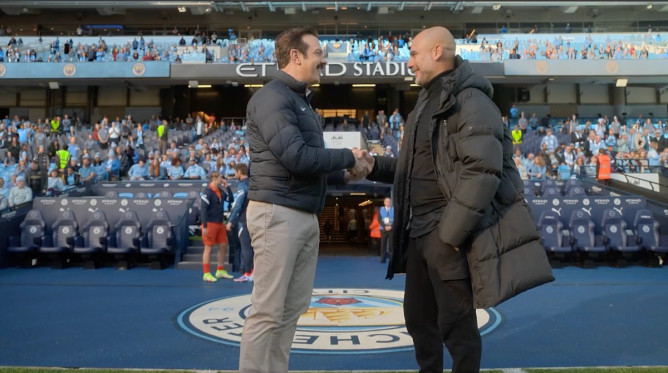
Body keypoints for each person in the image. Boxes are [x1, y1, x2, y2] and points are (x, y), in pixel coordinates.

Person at [358, 27, 553, 373]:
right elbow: (413, 167)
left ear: (436, 52)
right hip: (419, 232)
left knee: (456, 325)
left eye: (414, 54)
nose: (410, 62)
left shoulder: (471, 100)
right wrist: (372, 165)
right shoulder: (424, 101)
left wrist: (450, 236)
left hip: (444, 234)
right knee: (419, 321)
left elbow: (482, 172)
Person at [238, 26, 369, 373]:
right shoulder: (271, 98)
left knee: (292, 308)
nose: (324, 59)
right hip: (278, 213)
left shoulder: (298, 100)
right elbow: (296, 157)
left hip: (301, 212)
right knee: (268, 310)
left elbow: (309, 164)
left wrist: (349, 172)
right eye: (318, 52)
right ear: (295, 56)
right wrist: (348, 156)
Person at [199, 171, 233, 282]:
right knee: (208, 248)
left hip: (220, 223)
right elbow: (203, 210)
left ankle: (220, 270)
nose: (222, 179)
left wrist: (227, 187)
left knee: (223, 247)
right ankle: (206, 273)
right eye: (220, 177)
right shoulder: (207, 192)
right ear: (214, 178)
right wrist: (204, 226)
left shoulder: (220, 191)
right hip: (210, 224)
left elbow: (230, 199)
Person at [226, 163, 252, 283]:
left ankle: (248, 273)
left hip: (243, 219)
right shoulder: (253, 183)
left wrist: (230, 221)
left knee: (245, 247)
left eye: (235, 172)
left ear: (240, 172)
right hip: (253, 218)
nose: (234, 175)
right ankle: (248, 272)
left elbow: (238, 204)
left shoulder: (243, 185)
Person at [378, 197, 393, 263]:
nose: (388, 202)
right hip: (383, 229)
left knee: (392, 245)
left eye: (389, 201)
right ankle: (382, 259)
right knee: (383, 245)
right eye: (387, 201)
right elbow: (379, 219)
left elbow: (396, 219)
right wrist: (385, 226)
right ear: (384, 202)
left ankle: (392, 259)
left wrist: (391, 226)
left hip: (391, 229)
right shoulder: (380, 209)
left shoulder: (394, 209)